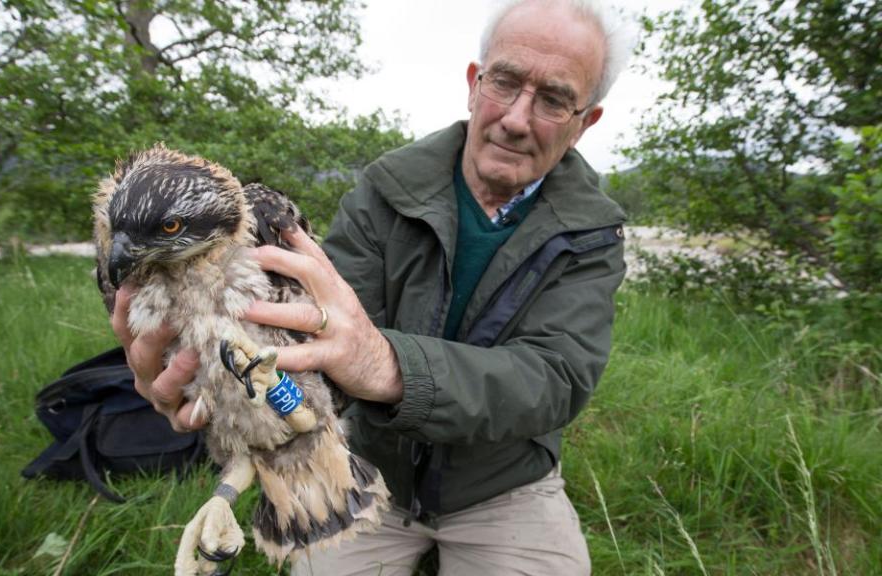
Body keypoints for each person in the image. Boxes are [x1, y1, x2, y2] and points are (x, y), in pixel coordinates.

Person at [111, 0, 633, 573]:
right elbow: (312, 337)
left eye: (554, 100)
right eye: (504, 82)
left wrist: (387, 365)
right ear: (473, 84)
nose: (515, 117)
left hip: (505, 482)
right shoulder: (385, 190)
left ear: (587, 122)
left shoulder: (592, 233)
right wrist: (203, 382)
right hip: (366, 459)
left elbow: (553, 380)